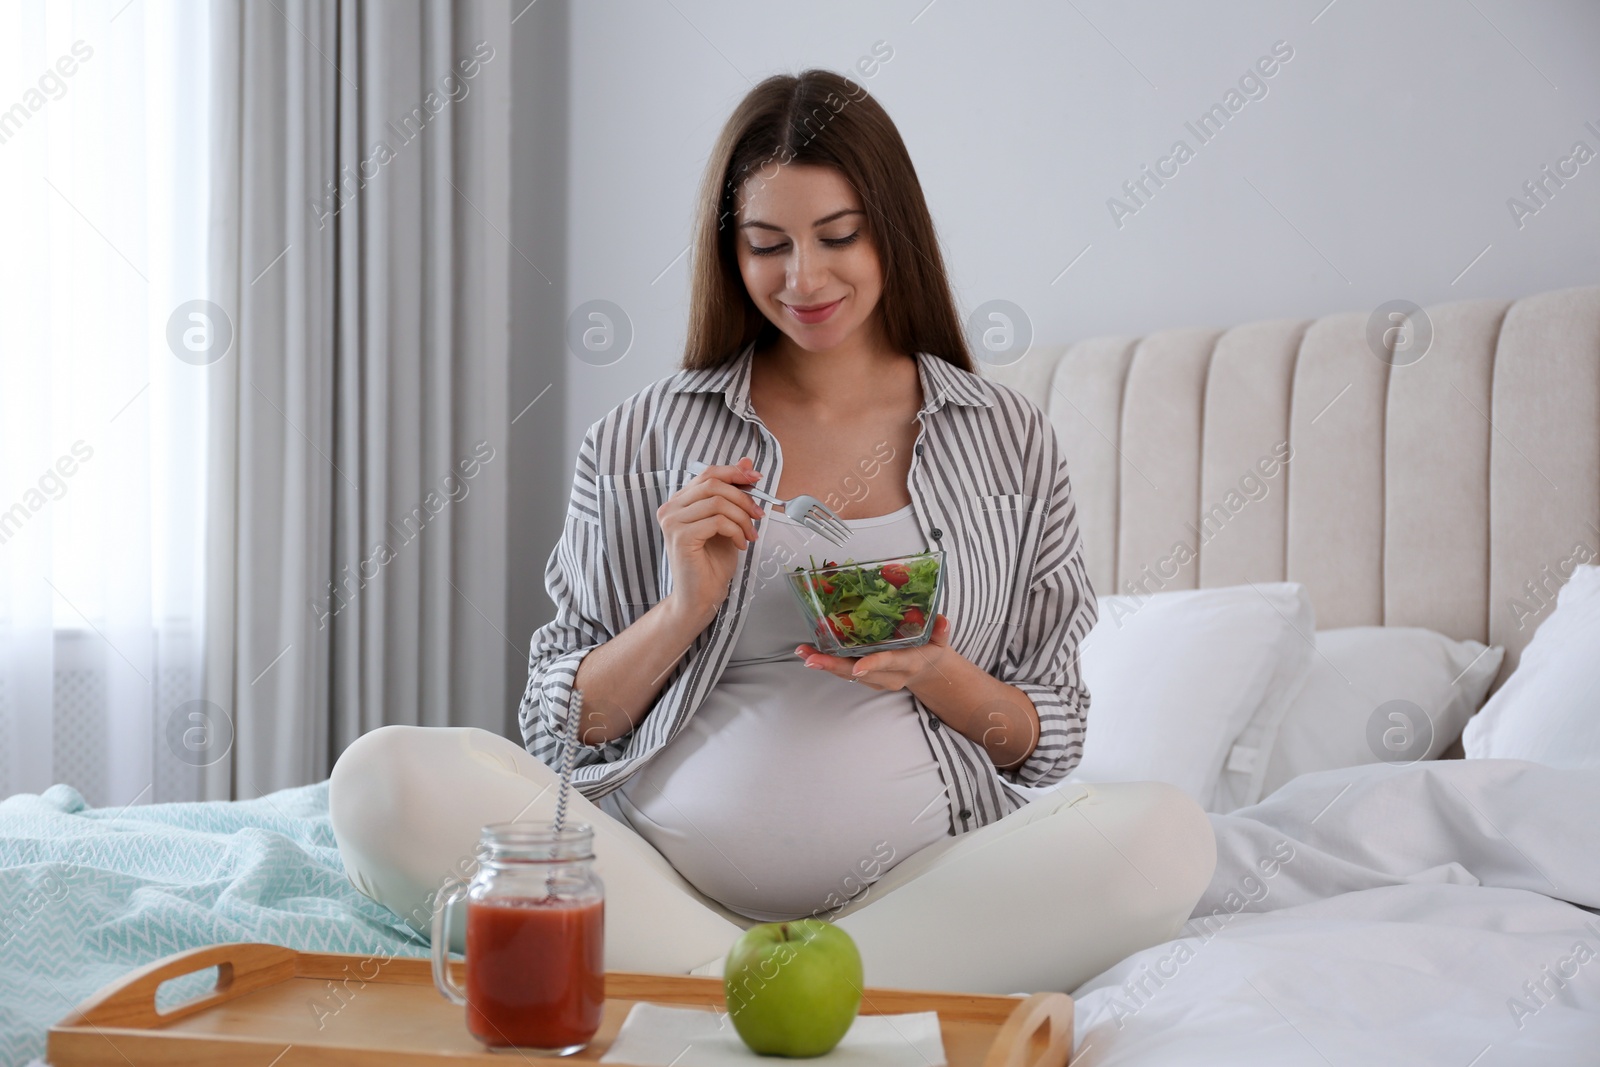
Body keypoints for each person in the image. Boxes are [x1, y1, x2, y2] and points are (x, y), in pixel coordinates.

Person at [329, 68, 1215, 994]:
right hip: (653, 878)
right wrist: (682, 609)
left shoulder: (1006, 439)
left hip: (921, 889)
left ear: (893, 232)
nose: (804, 279)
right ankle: (785, 984)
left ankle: (713, 986)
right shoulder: (641, 437)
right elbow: (562, 731)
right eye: (767, 245)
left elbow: (1048, 743)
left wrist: (936, 670)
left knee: (1166, 837)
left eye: (838, 237)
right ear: (730, 253)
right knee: (379, 779)